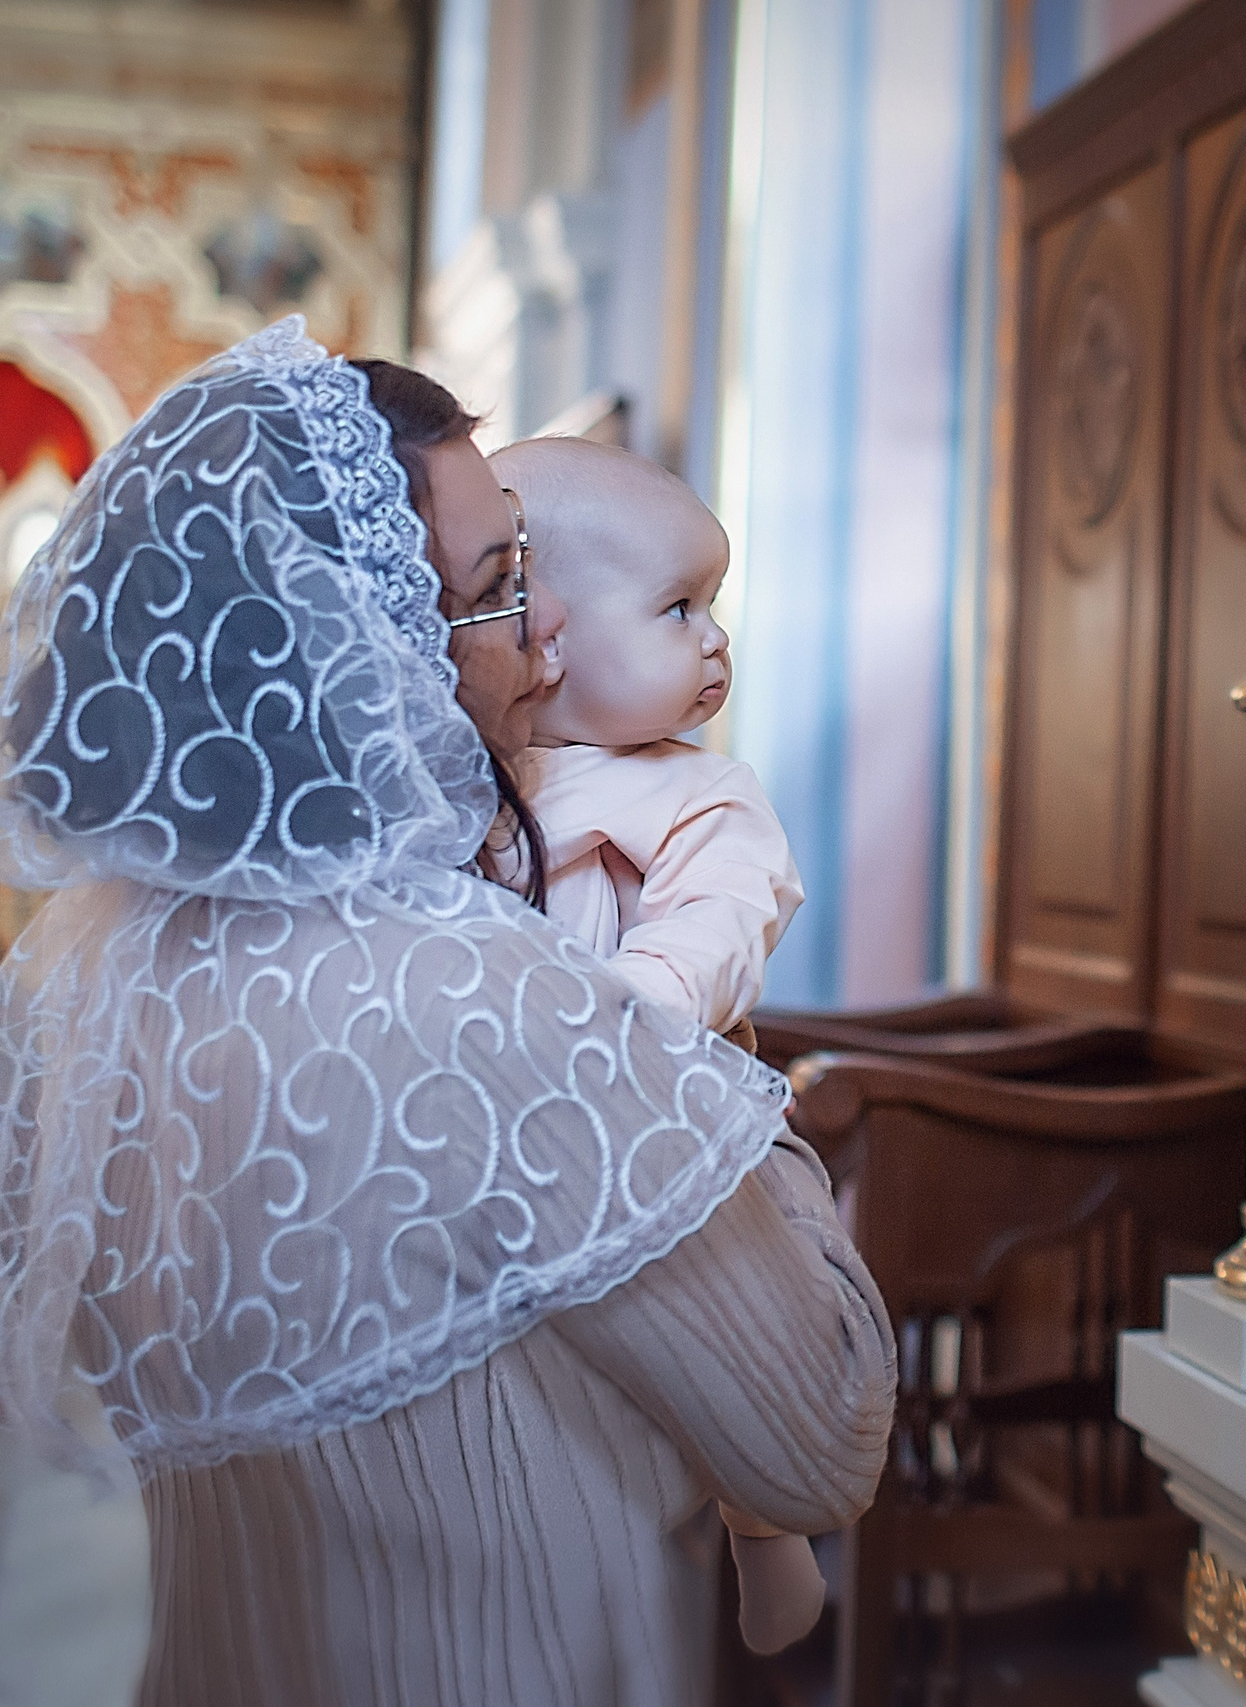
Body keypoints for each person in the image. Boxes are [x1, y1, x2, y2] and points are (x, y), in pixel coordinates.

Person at [0, 320, 895, 1707]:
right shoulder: (477, 987)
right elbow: (817, 1434)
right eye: (494, 586)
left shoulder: (107, 968)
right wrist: (734, 1103)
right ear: (358, 642)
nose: (543, 628)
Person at [494, 433, 822, 1653]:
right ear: (554, 637)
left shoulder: (701, 793)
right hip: (516, 1122)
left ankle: (762, 1522)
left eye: (713, 605)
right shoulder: (480, 775)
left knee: (716, 1326)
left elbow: (730, 915)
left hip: (655, 1108)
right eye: (680, 607)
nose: (716, 640)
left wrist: (636, 1001)